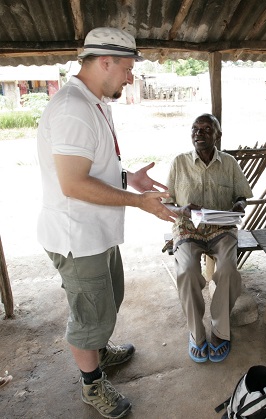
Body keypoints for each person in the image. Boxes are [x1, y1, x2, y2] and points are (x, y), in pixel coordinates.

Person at [37, 27, 177, 418]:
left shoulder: (92, 102)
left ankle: (99, 351)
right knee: (89, 316)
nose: (131, 77)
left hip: (96, 232)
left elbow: (94, 166)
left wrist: (129, 177)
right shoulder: (73, 109)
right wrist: (139, 202)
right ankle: (91, 383)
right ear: (105, 62)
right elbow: (72, 183)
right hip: (77, 237)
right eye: (128, 68)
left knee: (108, 299)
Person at [163, 113, 253, 364]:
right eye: (195, 129)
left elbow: (242, 195)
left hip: (221, 228)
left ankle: (221, 331)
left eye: (206, 129)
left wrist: (239, 204)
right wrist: (182, 210)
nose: (199, 133)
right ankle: (196, 333)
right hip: (188, 229)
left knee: (228, 271)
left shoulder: (229, 163)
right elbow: (167, 203)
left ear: (218, 135)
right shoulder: (179, 163)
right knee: (188, 271)